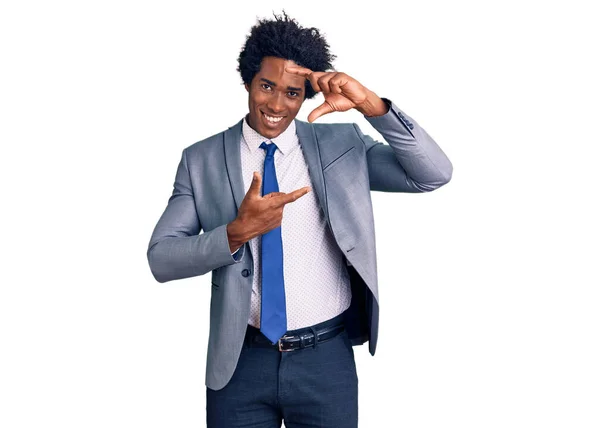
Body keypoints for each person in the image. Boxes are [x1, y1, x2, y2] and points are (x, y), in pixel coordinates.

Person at [147, 11, 452, 428]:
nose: (276, 104)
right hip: (239, 364)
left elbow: (433, 174)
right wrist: (236, 233)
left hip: (325, 362)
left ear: (305, 95)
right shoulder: (200, 160)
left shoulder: (342, 146)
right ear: (248, 81)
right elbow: (161, 258)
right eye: (266, 86)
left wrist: (371, 105)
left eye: (292, 93)